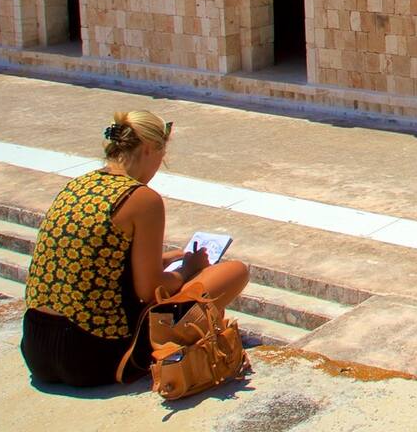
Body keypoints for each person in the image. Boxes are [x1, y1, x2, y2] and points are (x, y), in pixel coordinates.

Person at [21, 110, 250, 387]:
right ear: (149, 149)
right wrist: (189, 268)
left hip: (37, 347)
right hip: (94, 357)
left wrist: (166, 259)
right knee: (233, 272)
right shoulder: (142, 198)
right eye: (161, 155)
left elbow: (101, 260)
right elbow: (148, 289)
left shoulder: (78, 184)